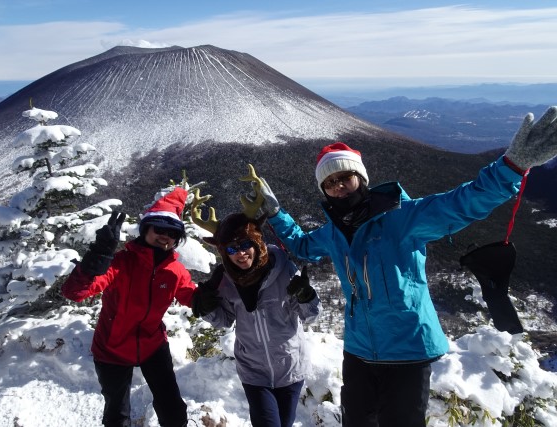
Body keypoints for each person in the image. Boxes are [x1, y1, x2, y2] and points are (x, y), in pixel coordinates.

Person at [244, 106, 557, 427]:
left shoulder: (403, 217)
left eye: (345, 177)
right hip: (358, 351)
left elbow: (462, 203)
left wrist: (512, 167)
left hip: (407, 350)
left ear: (360, 178)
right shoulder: (334, 232)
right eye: (330, 182)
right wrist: (275, 213)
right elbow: (302, 247)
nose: (339, 186)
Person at [62, 187, 210, 427]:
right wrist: (96, 257)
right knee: (117, 415)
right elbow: (74, 292)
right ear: (146, 229)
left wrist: (215, 290)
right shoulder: (120, 263)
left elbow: (193, 299)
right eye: (159, 229)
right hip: (112, 347)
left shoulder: (175, 271)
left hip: (153, 345)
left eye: (172, 233)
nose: (165, 236)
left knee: (173, 409)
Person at [191, 210, 322, 427]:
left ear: (257, 243)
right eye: (232, 249)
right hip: (253, 372)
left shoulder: (284, 270)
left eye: (245, 245)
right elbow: (224, 320)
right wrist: (207, 309)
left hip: (290, 368)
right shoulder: (226, 281)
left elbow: (311, 316)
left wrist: (307, 297)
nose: (240, 253)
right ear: (224, 252)